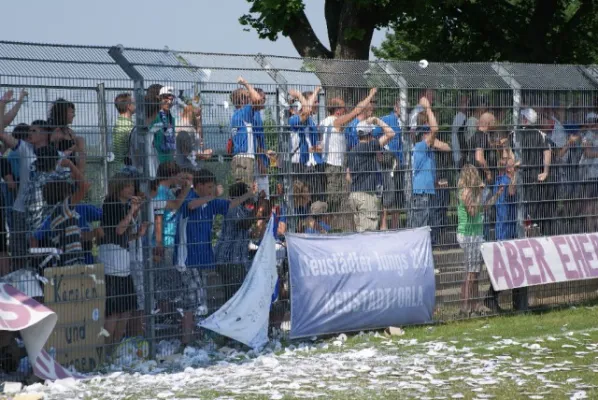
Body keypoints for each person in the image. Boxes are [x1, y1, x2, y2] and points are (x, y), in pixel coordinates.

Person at [176, 169, 255, 343]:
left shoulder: (210, 202)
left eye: (213, 187)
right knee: (195, 303)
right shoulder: (189, 197)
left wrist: (249, 194)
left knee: (196, 302)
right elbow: (190, 206)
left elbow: (229, 204)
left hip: (201, 259)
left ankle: (192, 340)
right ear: (200, 186)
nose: (212, 190)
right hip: (187, 260)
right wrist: (213, 196)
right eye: (209, 187)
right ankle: (188, 340)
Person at [0, 92, 50, 269]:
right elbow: (2, 131)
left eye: (34, 130)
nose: (29, 133)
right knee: (20, 254)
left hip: (44, 212)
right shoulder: (24, 150)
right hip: (21, 210)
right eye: (28, 131)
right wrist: (4, 103)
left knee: (43, 255)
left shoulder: (54, 155)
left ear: (45, 134)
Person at [98, 174, 148, 348]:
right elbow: (119, 230)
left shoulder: (125, 205)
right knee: (114, 310)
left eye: (132, 186)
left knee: (126, 308)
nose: (131, 190)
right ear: (119, 186)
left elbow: (124, 236)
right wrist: (132, 211)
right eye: (127, 186)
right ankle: (105, 347)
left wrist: (138, 234)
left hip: (123, 260)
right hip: (112, 260)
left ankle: (115, 347)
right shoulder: (111, 204)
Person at [319, 89, 378, 223]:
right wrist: (370, 95)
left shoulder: (324, 122)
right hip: (334, 166)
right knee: (334, 199)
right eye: (344, 108)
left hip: (336, 165)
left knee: (339, 199)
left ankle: (332, 226)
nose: (346, 110)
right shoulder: (335, 122)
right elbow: (357, 111)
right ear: (338, 110)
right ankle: (326, 226)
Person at [457, 164, 503, 317]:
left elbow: (482, 208)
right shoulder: (466, 193)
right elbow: (472, 212)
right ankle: (465, 307)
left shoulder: (472, 192)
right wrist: (480, 193)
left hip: (475, 234)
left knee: (475, 271)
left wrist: (495, 196)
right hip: (469, 235)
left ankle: (475, 304)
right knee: (471, 272)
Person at [150, 161, 192, 315]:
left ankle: (167, 313)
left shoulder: (167, 190)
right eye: (179, 175)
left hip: (170, 242)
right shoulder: (160, 191)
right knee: (163, 282)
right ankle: (162, 315)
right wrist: (159, 243)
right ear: (172, 175)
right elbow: (159, 217)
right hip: (162, 243)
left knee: (168, 281)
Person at [346, 118, 395, 232]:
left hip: (354, 194)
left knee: (360, 231)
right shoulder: (370, 146)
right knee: (368, 233)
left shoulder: (352, 151)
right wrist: (377, 120)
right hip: (366, 195)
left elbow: (348, 176)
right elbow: (391, 133)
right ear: (370, 134)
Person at [33, 176, 91, 266]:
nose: (72, 193)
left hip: (63, 261)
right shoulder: (65, 208)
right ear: (64, 193)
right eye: (69, 191)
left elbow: (35, 236)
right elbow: (85, 186)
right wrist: (70, 165)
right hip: (73, 261)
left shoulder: (53, 214)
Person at [214, 182, 256, 304]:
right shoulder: (233, 207)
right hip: (229, 259)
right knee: (234, 295)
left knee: (234, 295)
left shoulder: (242, 209)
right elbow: (244, 223)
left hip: (236, 259)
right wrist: (257, 209)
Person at [485, 158, 518, 312]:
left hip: (510, 227)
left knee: (508, 266)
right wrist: (515, 176)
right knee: (503, 266)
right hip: (504, 229)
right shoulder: (504, 180)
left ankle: (492, 297)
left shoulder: (503, 179)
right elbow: (511, 192)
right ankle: (491, 296)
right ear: (508, 168)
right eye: (513, 165)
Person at [408, 97, 445, 230]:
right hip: (421, 194)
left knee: (427, 229)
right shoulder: (420, 146)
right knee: (420, 230)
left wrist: (435, 183)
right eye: (428, 132)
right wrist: (428, 108)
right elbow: (436, 129)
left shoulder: (425, 149)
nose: (431, 134)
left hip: (427, 192)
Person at [374, 98, 405, 229]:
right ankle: (384, 224)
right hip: (388, 162)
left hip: (401, 162)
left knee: (398, 194)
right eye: (402, 107)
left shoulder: (405, 123)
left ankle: (395, 225)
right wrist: (379, 152)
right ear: (396, 107)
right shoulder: (387, 119)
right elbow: (374, 134)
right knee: (388, 192)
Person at [230, 77, 266, 187]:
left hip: (244, 158)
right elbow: (258, 100)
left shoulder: (237, 114)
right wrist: (246, 83)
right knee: (245, 194)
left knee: (248, 194)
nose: (250, 98)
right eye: (247, 96)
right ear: (242, 100)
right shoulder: (243, 113)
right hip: (244, 159)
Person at [48, 98, 86, 174]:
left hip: (72, 172)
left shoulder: (70, 132)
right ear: (63, 112)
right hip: (58, 173)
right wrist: (71, 149)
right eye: (72, 112)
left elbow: (79, 153)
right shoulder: (53, 131)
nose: (74, 115)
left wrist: (79, 149)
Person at [175, 104, 212, 171]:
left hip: (192, 167)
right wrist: (203, 155)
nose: (199, 117)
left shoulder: (189, 126)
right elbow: (186, 153)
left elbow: (198, 138)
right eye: (197, 114)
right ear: (191, 112)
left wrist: (199, 122)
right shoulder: (185, 127)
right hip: (187, 169)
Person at [150, 86, 177, 167]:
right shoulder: (154, 116)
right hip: (156, 159)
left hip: (169, 159)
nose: (169, 102)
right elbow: (149, 136)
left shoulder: (171, 118)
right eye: (166, 98)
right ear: (159, 98)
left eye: (171, 99)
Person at [111, 93, 136, 175]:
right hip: (125, 168)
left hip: (121, 167)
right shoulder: (127, 125)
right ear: (128, 106)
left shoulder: (120, 123)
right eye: (133, 102)